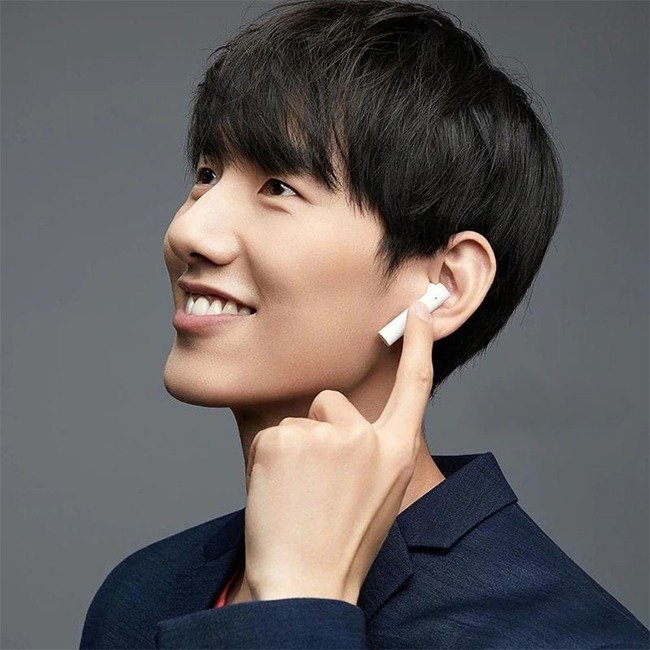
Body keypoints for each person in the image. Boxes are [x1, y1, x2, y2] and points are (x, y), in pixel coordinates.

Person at [79, 0, 650, 648]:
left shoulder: (556, 636)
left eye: (278, 187)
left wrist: (297, 603)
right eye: (207, 175)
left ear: (445, 285)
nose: (189, 230)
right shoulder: (142, 592)